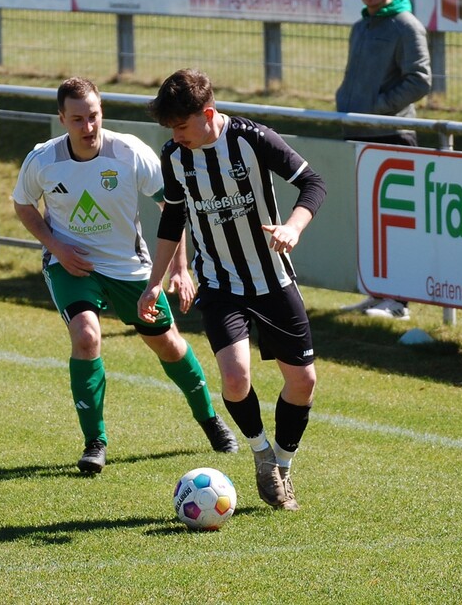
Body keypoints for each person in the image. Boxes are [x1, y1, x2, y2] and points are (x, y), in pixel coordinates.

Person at [12, 76, 237, 475]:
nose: (88, 127)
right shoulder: (43, 160)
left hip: (128, 267)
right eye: (77, 119)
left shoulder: (130, 152)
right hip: (72, 266)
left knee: (168, 345)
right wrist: (56, 247)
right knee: (86, 336)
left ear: (102, 112)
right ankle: (95, 442)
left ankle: (210, 420)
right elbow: (23, 205)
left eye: (93, 116)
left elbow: (173, 207)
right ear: (62, 119)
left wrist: (179, 268)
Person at [138, 69, 327, 511]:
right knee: (236, 377)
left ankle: (283, 464)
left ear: (208, 114)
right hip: (221, 282)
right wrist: (154, 283)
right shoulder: (175, 157)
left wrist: (293, 227)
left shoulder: (253, 139)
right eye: (170, 129)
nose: (175, 136)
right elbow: (173, 218)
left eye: (181, 126)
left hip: (273, 278)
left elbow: (313, 182)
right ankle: (261, 453)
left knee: (303, 382)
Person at [336, 0, 432, 320]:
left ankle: (399, 302)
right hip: (360, 134)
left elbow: (420, 80)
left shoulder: (405, 26)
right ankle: (378, 293)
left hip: (392, 135)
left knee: (397, 223)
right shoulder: (361, 26)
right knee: (370, 221)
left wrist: (377, 108)